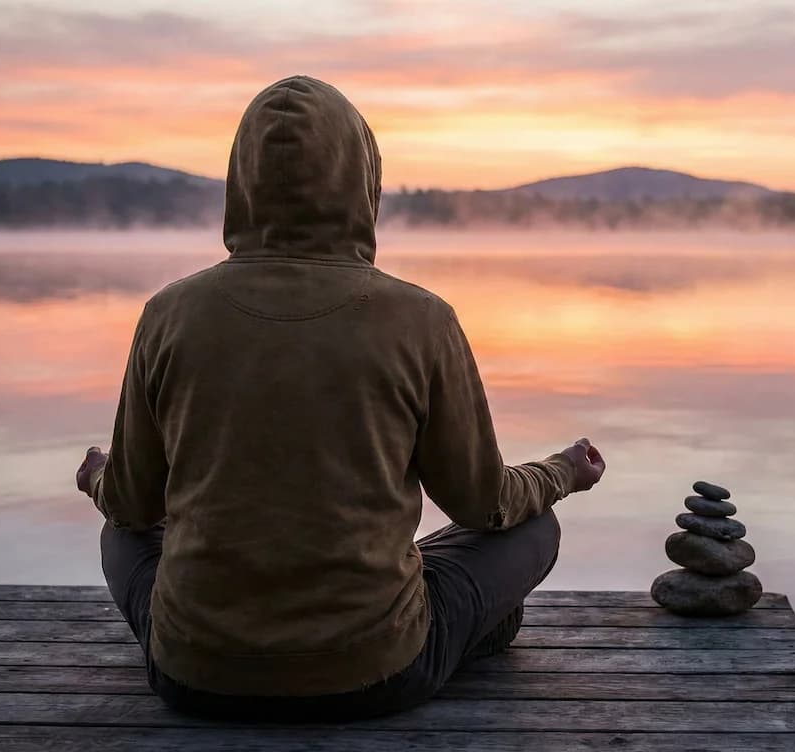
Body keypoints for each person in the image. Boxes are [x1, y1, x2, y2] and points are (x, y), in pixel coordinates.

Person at [73, 75, 606, 721]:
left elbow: (133, 505)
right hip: (375, 674)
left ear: (240, 182)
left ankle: (208, 641)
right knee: (533, 526)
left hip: (193, 675)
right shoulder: (422, 320)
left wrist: (100, 478)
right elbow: (484, 504)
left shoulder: (169, 314)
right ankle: (469, 633)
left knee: (121, 532)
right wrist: (562, 473)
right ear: (364, 179)